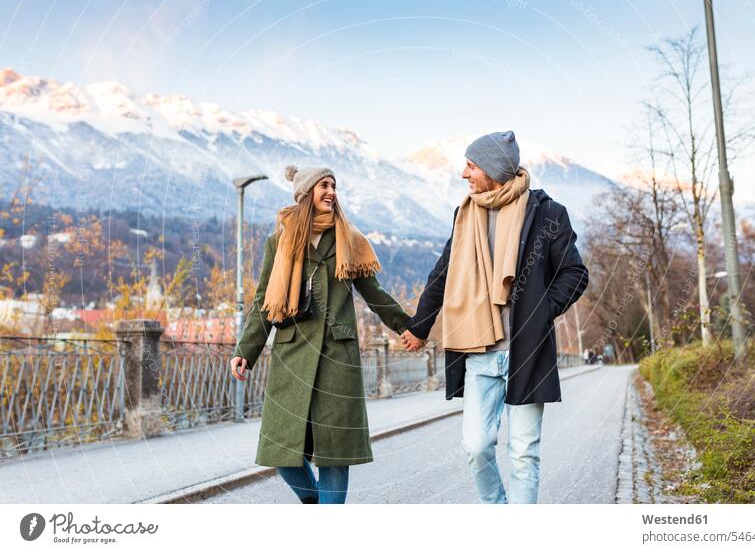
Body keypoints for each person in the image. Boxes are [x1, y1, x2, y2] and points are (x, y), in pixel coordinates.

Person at [400, 130, 589, 504]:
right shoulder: (465, 215)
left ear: (492, 168)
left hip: (527, 352)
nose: (463, 174)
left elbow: (575, 273)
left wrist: (543, 311)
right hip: (479, 352)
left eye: (470, 166)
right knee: (476, 446)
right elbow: (443, 274)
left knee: (523, 453)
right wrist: (419, 326)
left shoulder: (547, 213)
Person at [231, 165, 410, 504]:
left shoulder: (349, 240)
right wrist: (246, 349)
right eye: (323, 185)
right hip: (291, 354)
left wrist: (407, 326)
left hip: (337, 359)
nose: (331, 191)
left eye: (333, 185)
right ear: (305, 193)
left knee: (334, 455)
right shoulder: (279, 241)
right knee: (282, 452)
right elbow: (263, 300)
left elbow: (375, 294)